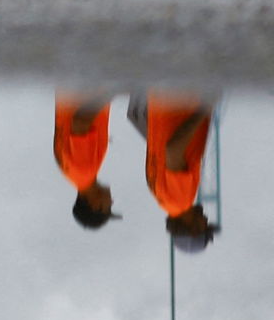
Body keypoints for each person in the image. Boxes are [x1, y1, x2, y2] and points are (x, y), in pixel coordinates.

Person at [128, 90, 218, 251]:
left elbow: (173, 149)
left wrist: (205, 109)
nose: (206, 220)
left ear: (194, 229)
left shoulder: (180, 200)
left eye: (205, 226)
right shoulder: (161, 197)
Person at [52, 90, 118, 229]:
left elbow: (80, 123)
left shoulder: (84, 171)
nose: (111, 201)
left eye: (108, 207)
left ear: (95, 206)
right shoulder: (70, 174)